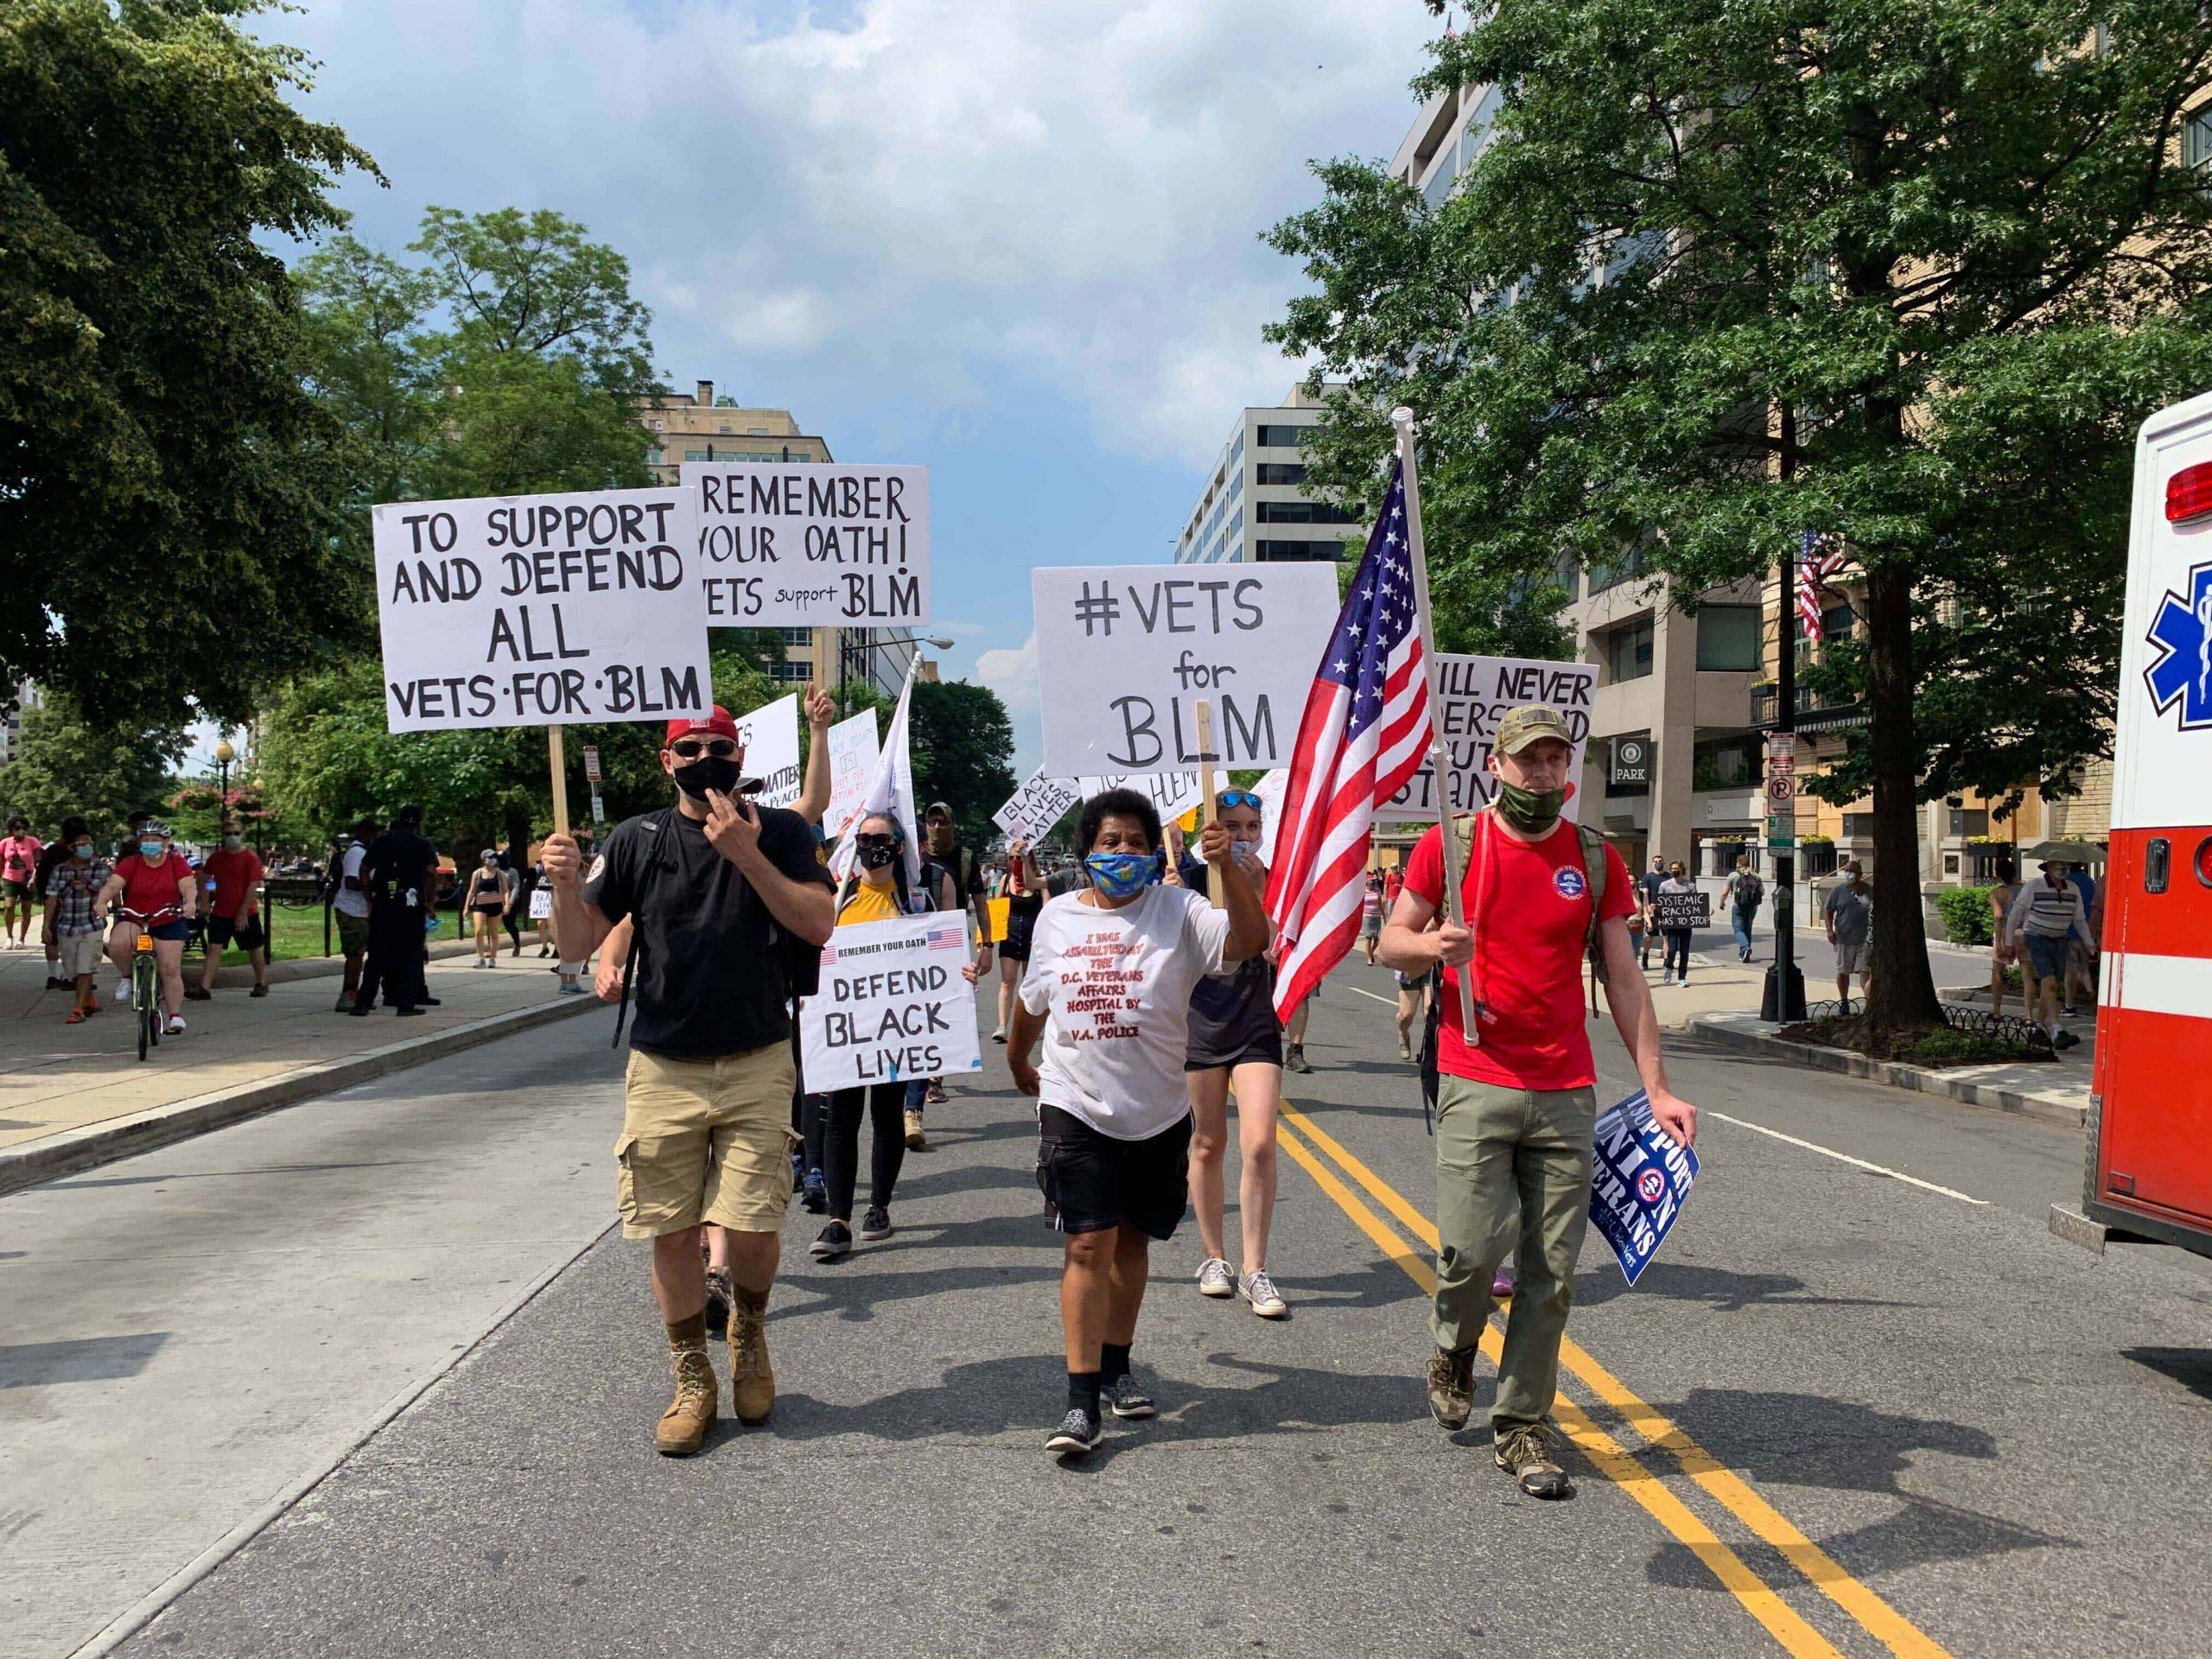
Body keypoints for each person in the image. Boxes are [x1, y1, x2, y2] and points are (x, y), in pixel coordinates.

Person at [1381, 704, 1695, 1500]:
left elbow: (1623, 977)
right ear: (1497, 765)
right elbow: (1389, 941)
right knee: (1469, 1251)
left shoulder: (1594, 857)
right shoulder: (1451, 845)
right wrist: (1433, 945)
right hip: (1475, 1074)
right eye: (1530, 760)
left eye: (1557, 759)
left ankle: (1522, 1424)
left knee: (1550, 1274)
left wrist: (1656, 1087)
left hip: (1564, 1091)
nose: (1545, 773)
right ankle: (1454, 1348)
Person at [545, 705, 835, 1457]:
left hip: (758, 1057)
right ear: (667, 760)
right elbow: (576, 946)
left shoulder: (782, 832)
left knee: (754, 1225)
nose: (707, 756)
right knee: (670, 1230)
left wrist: (747, 854)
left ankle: (749, 1332)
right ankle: (691, 1375)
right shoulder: (636, 839)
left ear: (741, 756)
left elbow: (818, 923)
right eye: (691, 747)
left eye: (721, 746)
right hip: (664, 1065)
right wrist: (564, 887)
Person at [1007, 788, 1269, 1459]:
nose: (1122, 852)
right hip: (1075, 1102)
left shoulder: (1180, 911)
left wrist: (1226, 868)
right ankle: (1081, 1402)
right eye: (1109, 842)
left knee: (1130, 1245)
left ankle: (1117, 1366)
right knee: (1087, 1245)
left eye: (1135, 842)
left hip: (1158, 1110)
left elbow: (1249, 941)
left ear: (1155, 852)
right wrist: (1017, 1059)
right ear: (1085, 851)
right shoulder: (1057, 917)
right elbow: (1034, 1002)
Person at [807, 812, 981, 1262]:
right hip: (849, 1031)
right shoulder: (837, 899)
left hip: (896, 1031)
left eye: (880, 838)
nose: (872, 846)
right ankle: (838, 1219)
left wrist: (961, 973)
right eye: (863, 839)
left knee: (887, 1117)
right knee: (841, 1120)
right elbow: (813, 953)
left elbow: (943, 955)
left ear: (899, 846)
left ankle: (879, 1207)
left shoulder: (918, 901)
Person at [1169, 789, 1288, 1319]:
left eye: (1251, 827)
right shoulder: (1186, 882)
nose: (1243, 836)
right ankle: (1214, 1258)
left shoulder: (1276, 879)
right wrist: (1169, 899)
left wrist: (1259, 892)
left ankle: (1255, 1269)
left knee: (1260, 1142)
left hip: (1255, 1020)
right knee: (1208, 1142)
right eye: (1232, 825)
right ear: (1210, 829)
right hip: (1200, 1021)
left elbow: (1278, 950)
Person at [910, 801, 986, 1143]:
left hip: (951, 945)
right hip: (914, 946)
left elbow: (980, 903)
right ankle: (920, 1081)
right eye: (932, 821)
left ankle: (935, 1078)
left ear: (952, 823)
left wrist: (987, 945)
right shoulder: (912, 857)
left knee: (943, 1012)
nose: (937, 827)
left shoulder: (965, 859)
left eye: (943, 821)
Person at [97, 819, 198, 1035]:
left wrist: (190, 902)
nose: (150, 843)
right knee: (118, 944)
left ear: (166, 842)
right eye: (146, 839)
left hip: (168, 917)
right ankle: (127, 977)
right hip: (135, 916)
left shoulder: (176, 863)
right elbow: (113, 885)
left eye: (155, 839)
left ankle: (175, 1016)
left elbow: (188, 885)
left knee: (169, 968)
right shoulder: (131, 863)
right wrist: (101, 902)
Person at [352, 806, 437, 1017]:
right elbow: (431, 872)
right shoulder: (423, 844)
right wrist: (429, 902)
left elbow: (364, 868)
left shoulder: (382, 841)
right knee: (411, 955)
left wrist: (369, 898)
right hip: (410, 903)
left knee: (376, 956)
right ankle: (406, 1004)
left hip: (384, 901)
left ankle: (363, 1003)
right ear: (418, 822)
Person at [2008, 863, 2094, 1050]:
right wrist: (2008, 942)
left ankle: (2038, 1029)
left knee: (2051, 986)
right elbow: (2015, 914)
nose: (2062, 868)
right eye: (2057, 864)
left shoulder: (2073, 888)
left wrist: (2089, 941)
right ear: (2048, 868)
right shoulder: (2034, 886)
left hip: (2060, 939)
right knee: (2050, 981)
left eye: (2064, 864)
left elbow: (2079, 918)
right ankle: (2056, 1029)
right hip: (2036, 937)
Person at [190, 819, 270, 1001]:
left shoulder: (250, 857)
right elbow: (204, 878)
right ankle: (204, 988)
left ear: (241, 835)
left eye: (236, 833)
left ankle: (261, 982)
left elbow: (253, 885)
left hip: (246, 912)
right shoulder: (217, 858)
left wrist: (242, 912)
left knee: (253, 948)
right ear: (223, 836)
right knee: (214, 947)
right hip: (221, 911)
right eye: (228, 834)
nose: (232, 837)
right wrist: (205, 902)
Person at [42, 819, 110, 1023]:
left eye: (89, 843)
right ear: (71, 847)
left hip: (91, 925)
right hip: (67, 926)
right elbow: (51, 898)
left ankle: (78, 1009)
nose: (87, 847)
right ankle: (88, 999)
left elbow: (109, 892)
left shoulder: (101, 869)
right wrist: (46, 926)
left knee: (86, 967)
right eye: (82, 844)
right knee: (73, 970)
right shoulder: (60, 871)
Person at [995, 837, 1045, 1042]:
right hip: (1010, 936)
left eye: (1020, 857)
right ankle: (1002, 1026)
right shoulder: (1006, 880)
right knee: (1007, 981)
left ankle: (1027, 1027)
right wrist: (988, 940)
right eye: (1012, 858)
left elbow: (1047, 910)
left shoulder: (1039, 881)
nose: (1015, 861)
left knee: (1029, 984)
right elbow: (996, 908)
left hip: (1032, 938)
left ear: (1029, 858)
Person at [332, 817, 377, 1013]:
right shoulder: (357, 852)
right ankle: (348, 994)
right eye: (372, 833)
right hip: (351, 910)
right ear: (363, 833)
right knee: (355, 954)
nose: (375, 837)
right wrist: (373, 886)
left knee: (359, 953)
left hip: (359, 910)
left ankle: (355, 993)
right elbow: (351, 882)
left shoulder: (363, 852)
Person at [1822, 860, 1873, 1012]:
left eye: (1852, 871)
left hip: (1865, 939)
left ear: (1860, 875)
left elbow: (1873, 909)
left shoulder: (1868, 891)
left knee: (1865, 971)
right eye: (1847, 870)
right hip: (1844, 938)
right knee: (1843, 971)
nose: (1849, 873)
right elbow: (1828, 911)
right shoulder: (1838, 891)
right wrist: (1829, 931)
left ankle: (1868, 1004)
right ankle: (1844, 1001)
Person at [33, 830, 74, 987]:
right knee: (73, 940)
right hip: (72, 903)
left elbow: (41, 874)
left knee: (52, 937)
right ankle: (69, 976)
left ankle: (53, 975)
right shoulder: (72, 854)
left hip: (52, 899)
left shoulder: (51, 851)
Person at [462, 849, 513, 969]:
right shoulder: (477, 873)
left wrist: (507, 904)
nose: (493, 860)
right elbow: (472, 891)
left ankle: (492, 957)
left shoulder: (499, 873)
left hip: (495, 904)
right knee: (479, 930)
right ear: (484, 859)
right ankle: (480, 957)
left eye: (494, 857)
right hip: (480, 904)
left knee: (493, 932)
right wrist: (466, 907)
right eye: (490, 857)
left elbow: (506, 890)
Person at [1986, 856, 2023, 1020]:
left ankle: (1996, 1011)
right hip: (2024, 931)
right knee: (2027, 974)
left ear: (1998, 875)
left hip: (2005, 931)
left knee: (1997, 973)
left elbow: (1998, 916)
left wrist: (1999, 940)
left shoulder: (1997, 893)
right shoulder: (2026, 890)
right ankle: (2029, 1014)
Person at [2061, 861, 2101, 1015]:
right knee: (2083, 967)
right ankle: (2090, 991)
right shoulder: (2090, 882)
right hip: (2087, 930)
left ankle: (2069, 1005)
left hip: (2069, 930)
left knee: (2070, 970)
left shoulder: (2066, 883)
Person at [2, 816, 42, 949]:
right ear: (11, 829)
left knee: (26, 908)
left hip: (28, 879)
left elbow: (38, 862)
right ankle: (9, 937)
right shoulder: (5, 843)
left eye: (24, 828)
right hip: (9, 878)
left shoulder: (32, 841)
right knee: (9, 906)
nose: (21, 830)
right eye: (17, 828)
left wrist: (34, 878)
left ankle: (22, 939)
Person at [1657, 861, 1699, 986]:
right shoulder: (1665, 885)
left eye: (1677, 869)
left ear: (1682, 870)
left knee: (1684, 951)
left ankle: (1682, 977)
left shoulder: (1690, 885)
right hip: (1671, 923)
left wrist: (1706, 911)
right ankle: (1669, 966)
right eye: (1672, 869)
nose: (1674, 871)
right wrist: (1656, 909)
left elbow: (1697, 902)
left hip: (1685, 923)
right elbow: (1660, 902)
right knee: (1672, 949)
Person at [1724, 854, 1764, 963]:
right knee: (1748, 929)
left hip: (1738, 906)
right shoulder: (1756, 876)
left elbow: (1724, 892)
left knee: (1738, 930)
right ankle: (1744, 955)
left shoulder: (1733, 875)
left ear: (1738, 863)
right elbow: (1762, 892)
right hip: (1752, 907)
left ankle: (1746, 948)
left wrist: (1722, 903)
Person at [1637, 855, 1668, 969]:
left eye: (1660, 861)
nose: (1658, 863)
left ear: (1663, 863)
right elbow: (1645, 892)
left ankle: (1666, 961)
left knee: (1667, 937)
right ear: (1653, 863)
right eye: (1656, 861)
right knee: (1650, 937)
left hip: (1666, 911)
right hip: (1652, 911)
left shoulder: (1668, 877)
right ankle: (1645, 957)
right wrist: (1648, 906)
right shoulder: (1648, 877)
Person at [1359, 871, 1385, 965]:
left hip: (1376, 916)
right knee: (1368, 938)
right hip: (1367, 917)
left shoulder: (1377, 892)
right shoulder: (1363, 892)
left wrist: (1384, 916)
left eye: (1373, 882)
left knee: (1377, 939)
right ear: (1367, 883)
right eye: (1370, 882)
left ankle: (1371, 953)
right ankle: (1369, 959)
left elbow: (1380, 905)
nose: (1372, 884)